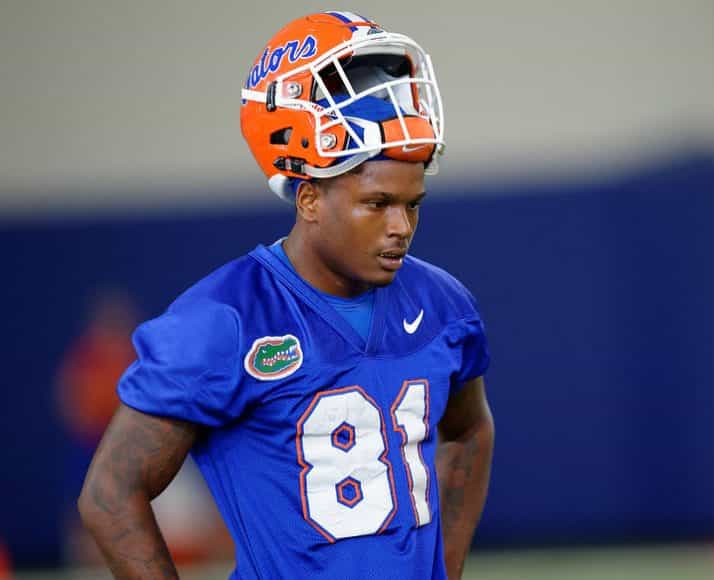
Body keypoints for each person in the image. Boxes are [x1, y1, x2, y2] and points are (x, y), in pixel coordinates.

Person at [78, 11, 494, 580]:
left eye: (412, 204)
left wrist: (444, 567)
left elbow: (470, 430)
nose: (400, 226)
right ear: (309, 199)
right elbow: (110, 492)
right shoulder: (225, 319)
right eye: (377, 204)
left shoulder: (443, 303)